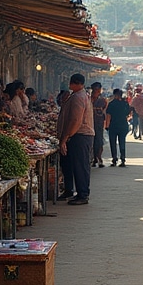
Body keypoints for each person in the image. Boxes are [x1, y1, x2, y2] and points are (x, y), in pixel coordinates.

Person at [57, 73, 93, 204]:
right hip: (76, 135)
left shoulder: (78, 97)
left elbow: (75, 120)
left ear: (74, 83)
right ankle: (69, 190)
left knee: (80, 165)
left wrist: (65, 137)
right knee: (68, 163)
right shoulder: (78, 95)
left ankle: (82, 194)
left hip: (80, 136)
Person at [105, 88, 132, 166]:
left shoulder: (111, 104)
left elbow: (108, 116)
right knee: (122, 142)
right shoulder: (125, 103)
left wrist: (107, 126)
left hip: (113, 125)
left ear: (115, 95)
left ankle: (114, 159)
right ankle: (123, 159)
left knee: (113, 143)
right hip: (123, 125)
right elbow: (128, 113)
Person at [90, 81, 107, 167]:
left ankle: (99, 158)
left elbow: (104, 112)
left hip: (99, 124)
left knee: (99, 142)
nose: (97, 91)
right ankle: (94, 158)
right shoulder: (88, 99)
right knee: (92, 142)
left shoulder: (102, 100)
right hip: (89, 124)